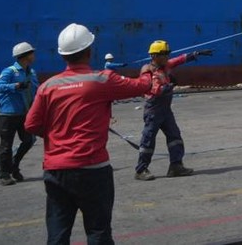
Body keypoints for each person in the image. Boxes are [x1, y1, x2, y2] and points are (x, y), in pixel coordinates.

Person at [25, 23, 153, 244]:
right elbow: (141, 86)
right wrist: (149, 72)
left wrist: (58, 136)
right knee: (98, 232)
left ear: (63, 55)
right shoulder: (102, 79)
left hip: (56, 170)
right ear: (89, 51)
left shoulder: (48, 86)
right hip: (92, 170)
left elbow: (31, 124)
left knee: (57, 234)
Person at [134, 41, 211, 181]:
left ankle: (176, 166)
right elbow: (152, 89)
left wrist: (195, 54)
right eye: (164, 54)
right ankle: (141, 170)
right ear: (155, 55)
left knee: (175, 137)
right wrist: (168, 87)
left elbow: (179, 59)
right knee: (148, 139)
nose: (167, 57)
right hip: (153, 110)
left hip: (165, 110)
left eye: (168, 54)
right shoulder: (148, 70)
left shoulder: (166, 65)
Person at [0, 41, 39, 185]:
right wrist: (16, 86)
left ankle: (14, 164)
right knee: (6, 144)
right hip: (8, 114)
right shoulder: (9, 71)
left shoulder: (32, 73)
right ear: (25, 56)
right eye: (32, 53)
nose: (34, 55)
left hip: (24, 113)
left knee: (29, 140)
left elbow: (37, 91)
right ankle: (4, 175)